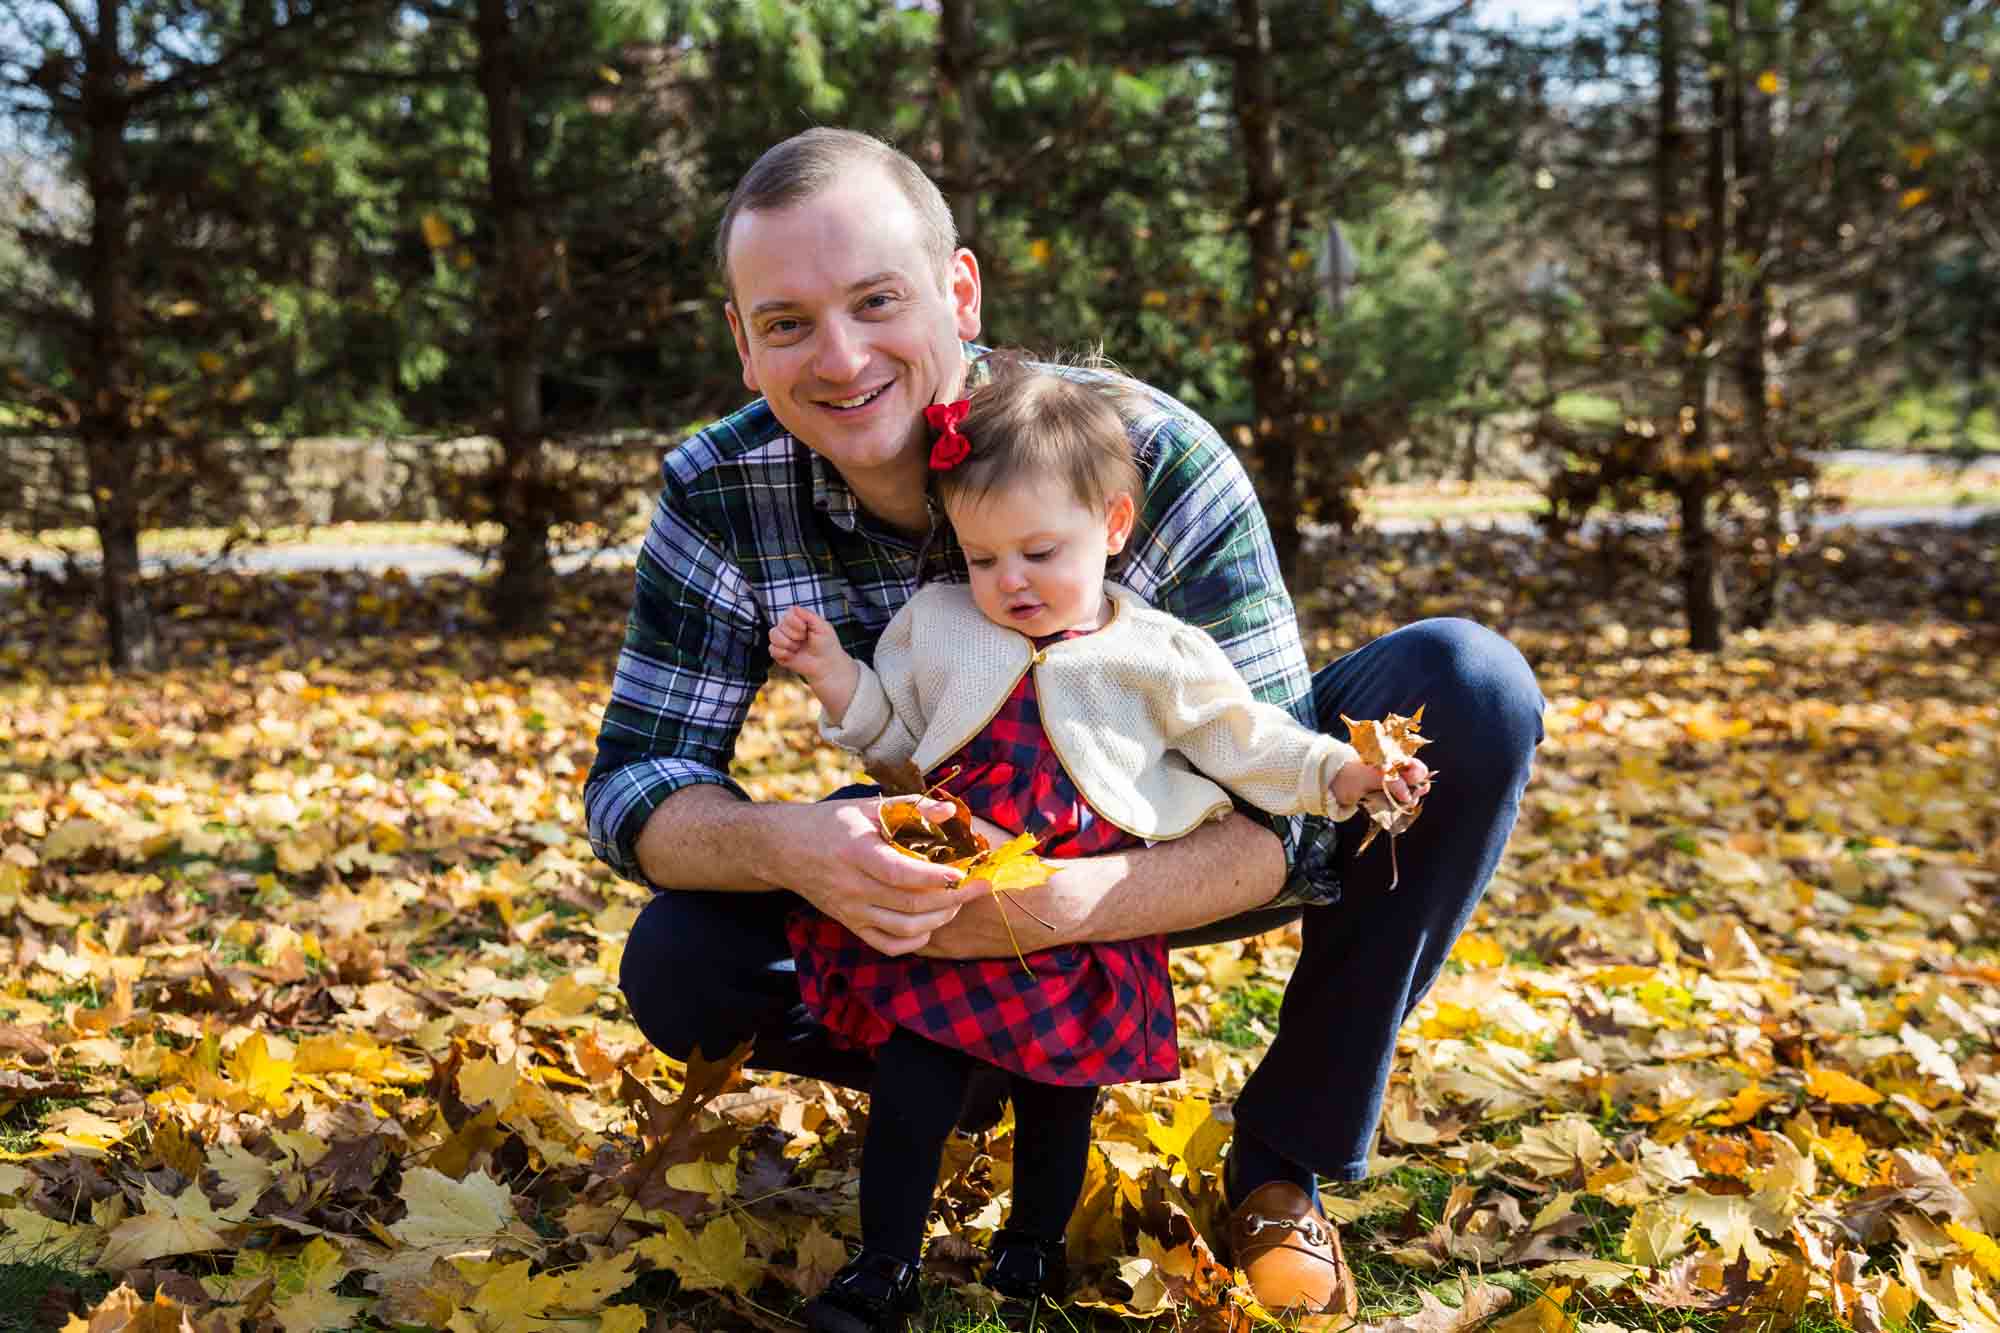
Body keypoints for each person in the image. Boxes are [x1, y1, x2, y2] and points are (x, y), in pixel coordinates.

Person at [587, 127, 1543, 1326]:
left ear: (959, 289)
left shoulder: (1145, 452)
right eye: (785, 322)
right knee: (681, 961)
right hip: (930, 869)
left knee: (1468, 687)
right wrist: (793, 846)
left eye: (876, 301)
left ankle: (1279, 1162)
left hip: (1151, 828)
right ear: (742, 343)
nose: (837, 357)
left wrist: (1047, 908)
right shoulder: (720, 489)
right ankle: (974, 1061)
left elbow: (1277, 829)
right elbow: (636, 785)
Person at [767, 357, 1428, 1331]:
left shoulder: (1156, 651)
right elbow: (895, 738)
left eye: (1037, 552)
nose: (1009, 581)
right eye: (982, 558)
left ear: (1111, 527)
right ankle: (882, 1264)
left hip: (1088, 911)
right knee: (913, 1077)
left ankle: (1030, 1247)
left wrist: (1337, 773)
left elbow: (1244, 742)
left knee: (1057, 1095)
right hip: (963, 890)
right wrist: (832, 674)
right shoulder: (937, 625)